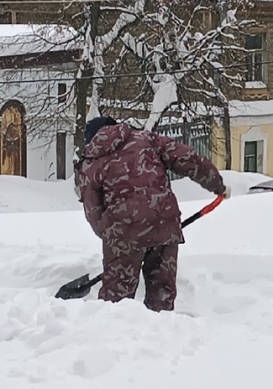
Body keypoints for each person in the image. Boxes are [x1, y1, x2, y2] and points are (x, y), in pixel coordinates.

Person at [77, 117, 230, 312]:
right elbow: (188, 158)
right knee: (161, 293)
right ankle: (161, 336)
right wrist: (217, 185)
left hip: (122, 232)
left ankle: (114, 336)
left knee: (116, 300)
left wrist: (110, 237)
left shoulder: (91, 161)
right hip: (163, 222)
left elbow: (93, 210)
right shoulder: (147, 139)